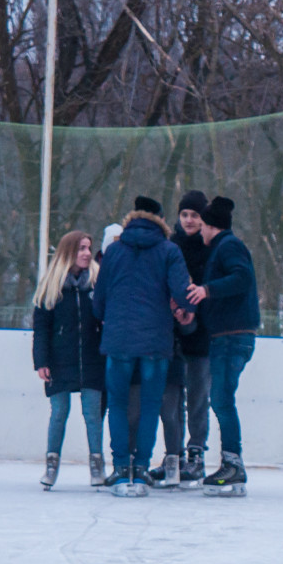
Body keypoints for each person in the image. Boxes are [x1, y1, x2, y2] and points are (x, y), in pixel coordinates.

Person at [92, 195, 193, 492]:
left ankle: (121, 468)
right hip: (155, 343)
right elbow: (183, 294)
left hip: (118, 341)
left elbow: (98, 302)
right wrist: (188, 309)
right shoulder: (169, 251)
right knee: (150, 405)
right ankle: (142, 467)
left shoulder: (113, 252)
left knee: (118, 405)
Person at [186, 195, 258, 495]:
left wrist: (207, 290)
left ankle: (233, 465)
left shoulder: (228, 246)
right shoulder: (222, 247)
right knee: (221, 398)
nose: (198, 230)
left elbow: (241, 278)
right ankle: (231, 462)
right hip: (226, 335)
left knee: (222, 399)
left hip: (232, 336)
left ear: (211, 226)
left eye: (201, 225)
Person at [150, 190, 214, 488]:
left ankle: (197, 452)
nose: (189, 220)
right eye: (185, 214)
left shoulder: (210, 247)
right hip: (172, 336)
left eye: (195, 216)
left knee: (198, 396)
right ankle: (172, 455)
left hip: (201, 336)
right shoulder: (169, 245)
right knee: (171, 400)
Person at [31, 230, 104, 489]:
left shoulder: (97, 283)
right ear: (68, 253)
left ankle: (97, 466)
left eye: (88, 247)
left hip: (93, 361)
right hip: (60, 361)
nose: (86, 253)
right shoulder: (52, 286)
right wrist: (41, 361)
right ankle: (51, 466)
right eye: (81, 248)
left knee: (93, 414)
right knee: (59, 412)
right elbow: (41, 328)